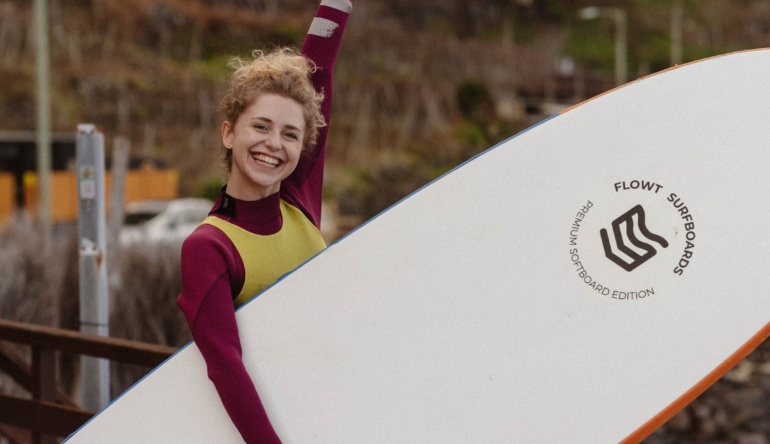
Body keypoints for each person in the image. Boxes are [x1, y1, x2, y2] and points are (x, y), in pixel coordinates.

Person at [176, 1, 351, 442]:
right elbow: (226, 368)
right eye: (260, 126)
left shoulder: (299, 201)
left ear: (304, 147)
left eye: (290, 134)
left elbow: (318, 72)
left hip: (338, 409)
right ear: (229, 132)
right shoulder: (210, 247)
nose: (274, 143)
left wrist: (336, 7)